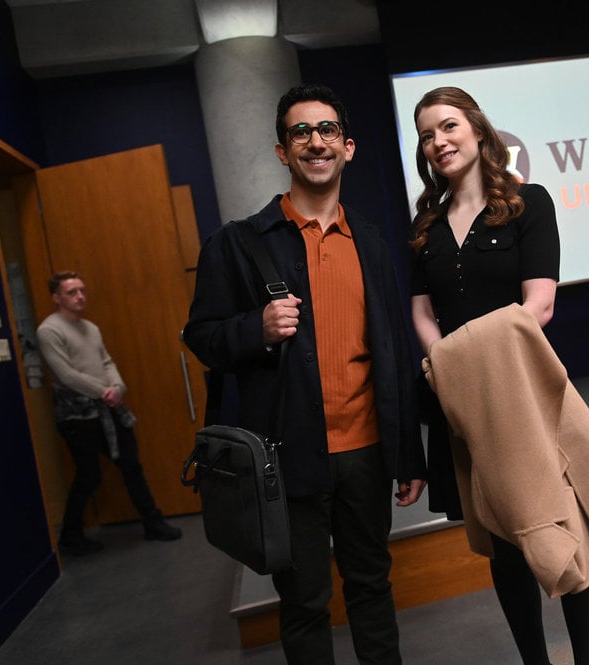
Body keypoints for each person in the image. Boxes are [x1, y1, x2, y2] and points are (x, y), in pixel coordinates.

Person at [183, 83, 427, 665]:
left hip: (366, 451)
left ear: (348, 148)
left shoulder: (370, 241)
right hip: (286, 459)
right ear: (282, 152)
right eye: (300, 132)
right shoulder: (236, 245)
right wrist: (255, 329)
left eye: (326, 132)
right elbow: (201, 337)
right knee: (305, 602)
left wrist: (407, 454)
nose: (315, 142)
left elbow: (393, 350)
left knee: (372, 587)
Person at [409, 86, 589, 665]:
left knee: (561, 532)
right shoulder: (425, 225)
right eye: (426, 134)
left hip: (522, 397)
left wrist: (457, 360)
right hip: (461, 405)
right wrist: (451, 378)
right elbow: (420, 313)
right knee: (505, 543)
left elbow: (538, 306)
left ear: (478, 129)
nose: (438, 141)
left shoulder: (527, 202)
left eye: (447, 126)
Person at [37, 271, 182, 556]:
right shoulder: (49, 330)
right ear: (56, 297)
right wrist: (104, 391)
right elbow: (65, 374)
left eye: (82, 290)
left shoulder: (90, 327)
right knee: (89, 475)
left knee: (132, 466)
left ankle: (154, 524)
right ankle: (71, 536)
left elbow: (106, 360)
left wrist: (117, 386)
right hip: (78, 416)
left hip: (109, 406)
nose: (80, 296)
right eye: (71, 292)